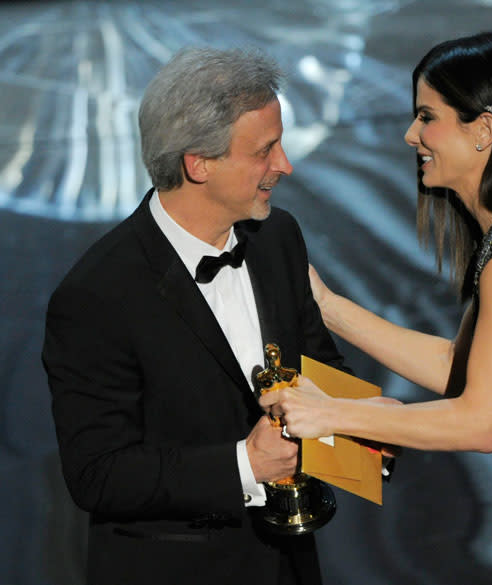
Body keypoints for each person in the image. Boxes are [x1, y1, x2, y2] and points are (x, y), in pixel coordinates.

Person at [259, 31, 492, 584]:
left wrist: (331, 415)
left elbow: (481, 421)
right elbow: (460, 369)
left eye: (427, 116)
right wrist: (326, 306)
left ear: (484, 130)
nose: (410, 134)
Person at [42, 47, 348, 585]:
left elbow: (321, 368)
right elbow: (98, 474)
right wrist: (245, 466)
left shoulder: (278, 238)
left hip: (292, 565)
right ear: (198, 163)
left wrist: (370, 426)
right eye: (265, 150)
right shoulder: (95, 295)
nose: (285, 165)